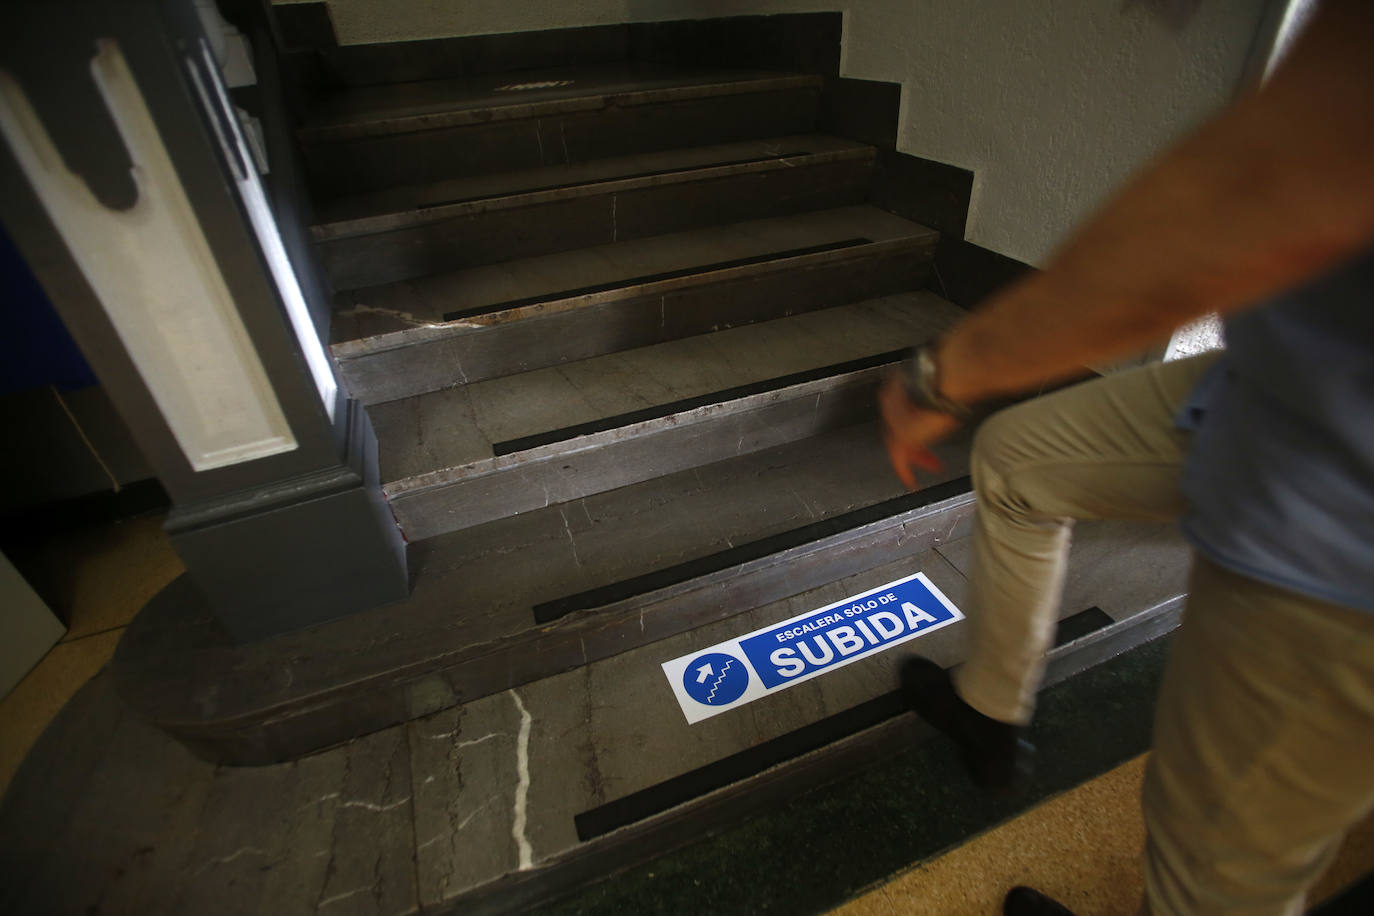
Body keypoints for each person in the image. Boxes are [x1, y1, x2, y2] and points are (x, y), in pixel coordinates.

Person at [877, 2, 1374, 913]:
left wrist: (944, 376)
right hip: (1288, 380)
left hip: (1344, 520)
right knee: (1022, 459)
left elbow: (1257, 195)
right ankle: (990, 713)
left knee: (1215, 872)